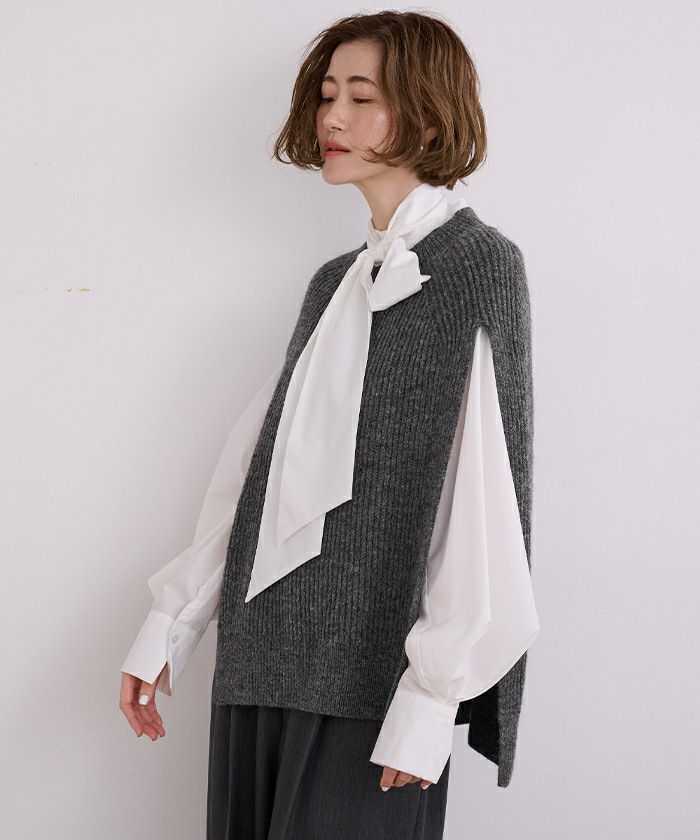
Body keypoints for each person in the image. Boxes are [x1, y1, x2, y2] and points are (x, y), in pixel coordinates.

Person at [119, 11, 539, 839]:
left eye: (361, 97)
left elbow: (488, 497)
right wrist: (171, 622)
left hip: (372, 675)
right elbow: (262, 465)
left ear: (426, 116)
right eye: (326, 95)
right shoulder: (333, 284)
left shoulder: (478, 266)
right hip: (260, 658)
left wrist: (433, 697)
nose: (332, 118)